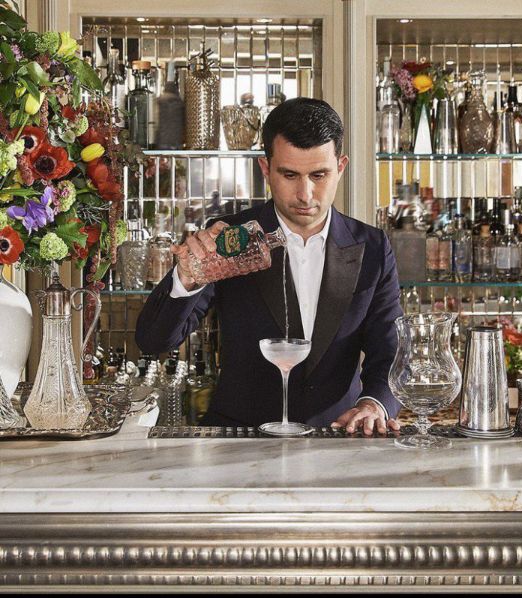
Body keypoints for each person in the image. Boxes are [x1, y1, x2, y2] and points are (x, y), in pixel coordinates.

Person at [135, 97, 402, 435]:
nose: (305, 194)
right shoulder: (229, 239)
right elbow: (153, 341)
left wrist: (374, 404)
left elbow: (390, 351)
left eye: (319, 175)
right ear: (265, 169)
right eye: (290, 175)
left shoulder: (373, 247)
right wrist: (187, 278)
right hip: (239, 439)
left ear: (341, 167)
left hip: (336, 437)